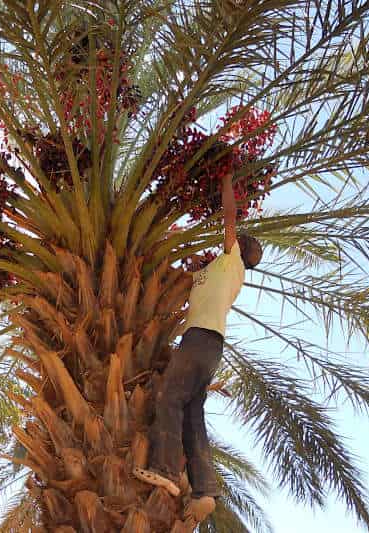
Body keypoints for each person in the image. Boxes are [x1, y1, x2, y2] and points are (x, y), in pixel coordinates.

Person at [132, 170, 263, 519]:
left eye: (239, 239)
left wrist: (226, 178)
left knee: (170, 397)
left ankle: (164, 469)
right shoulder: (216, 270)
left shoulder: (232, 260)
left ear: (241, 249)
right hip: (210, 346)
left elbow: (229, 215)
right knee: (193, 413)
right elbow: (189, 280)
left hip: (200, 338)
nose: (234, 237)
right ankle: (204, 490)